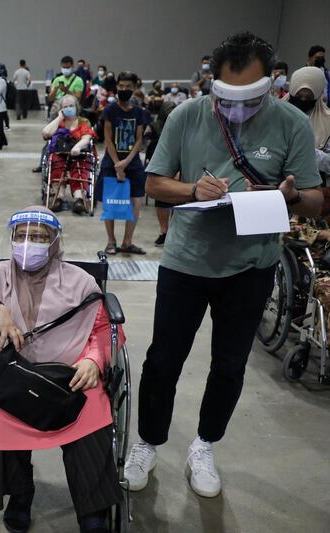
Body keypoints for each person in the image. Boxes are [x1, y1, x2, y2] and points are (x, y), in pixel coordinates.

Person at [127, 32, 323, 499]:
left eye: (250, 99)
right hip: (186, 263)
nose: (237, 111)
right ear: (212, 84)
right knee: (163, 360)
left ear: (271, 85)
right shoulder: (186, 116)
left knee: (229, 364)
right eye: (227, 99)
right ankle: (148, 442)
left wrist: (291, 195)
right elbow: (154, 182)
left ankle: (205, 445)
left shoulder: (291, 123)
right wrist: (192, 190)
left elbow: (315, 199)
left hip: (251, 267)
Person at [0, 206, 124, 533]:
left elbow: (107, 331)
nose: (29, 243)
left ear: (54, 243)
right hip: (9, 374)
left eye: (39, 237)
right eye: (22, 236)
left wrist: (94, 360)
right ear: (11, 239)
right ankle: (20, 495)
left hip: (67, 377)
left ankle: (93, 510)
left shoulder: (80, 282)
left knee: (93, 405)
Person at [93, 71, 149, 255]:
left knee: (136, 203)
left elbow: (139, 140)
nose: (124, 89)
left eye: (128, 87)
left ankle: (127, 242)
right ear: (117, 87)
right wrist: (117, 164)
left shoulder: (139, 112)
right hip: (112, 163)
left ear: (134, 88)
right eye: (121, 86)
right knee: (111, 203)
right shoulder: (110, 110)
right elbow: (107, 139)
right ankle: (111, 241)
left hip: (132, 163)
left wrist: (126, 162)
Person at [40, 95, 96, 215]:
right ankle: (58, 198)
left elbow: (87, 137)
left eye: (71, 106)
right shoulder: (59, 122)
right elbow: (46, 133)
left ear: (76, 107)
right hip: (60, 153)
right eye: (65, 107)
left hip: (79, 154)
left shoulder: (83, 121)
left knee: (79, 167)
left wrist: (78, 146)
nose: (69, 108)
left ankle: (79, 199)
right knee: (56, 163)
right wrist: (59, 117)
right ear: (61, 109)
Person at [145, 101, 177, 247]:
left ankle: (174, 233)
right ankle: (164, 231)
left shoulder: (179, 124)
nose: (171, 111)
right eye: (169, 109)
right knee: (162, 201)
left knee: (178, 198)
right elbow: (146, 140)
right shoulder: (154, 126)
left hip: (177, 163)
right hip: (158, 163)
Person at [289, 66, 330, 175]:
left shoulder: (327, 121)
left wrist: (305, 150)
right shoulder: (276, 113)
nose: (303, 100)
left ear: (318, 95)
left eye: (309, 97)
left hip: (311, 184)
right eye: (298, 95)